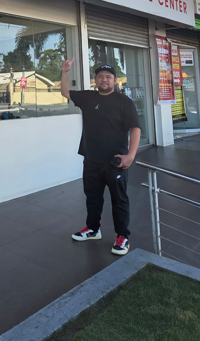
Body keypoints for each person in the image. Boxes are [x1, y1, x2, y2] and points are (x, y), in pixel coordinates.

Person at [61, 58, 141, 255]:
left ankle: (122, 236)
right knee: (93, 198)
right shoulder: (88, 97)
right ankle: (93, 229)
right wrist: (65, 72)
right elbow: (65, 92)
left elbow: (135, 129)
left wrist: (131, 155)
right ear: (95, 80)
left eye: (108, 77)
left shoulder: (124, 101)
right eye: (100, 77)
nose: (104, 80)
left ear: (114, 80)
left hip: (115, 162)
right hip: (91, 159)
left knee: (119, 200)